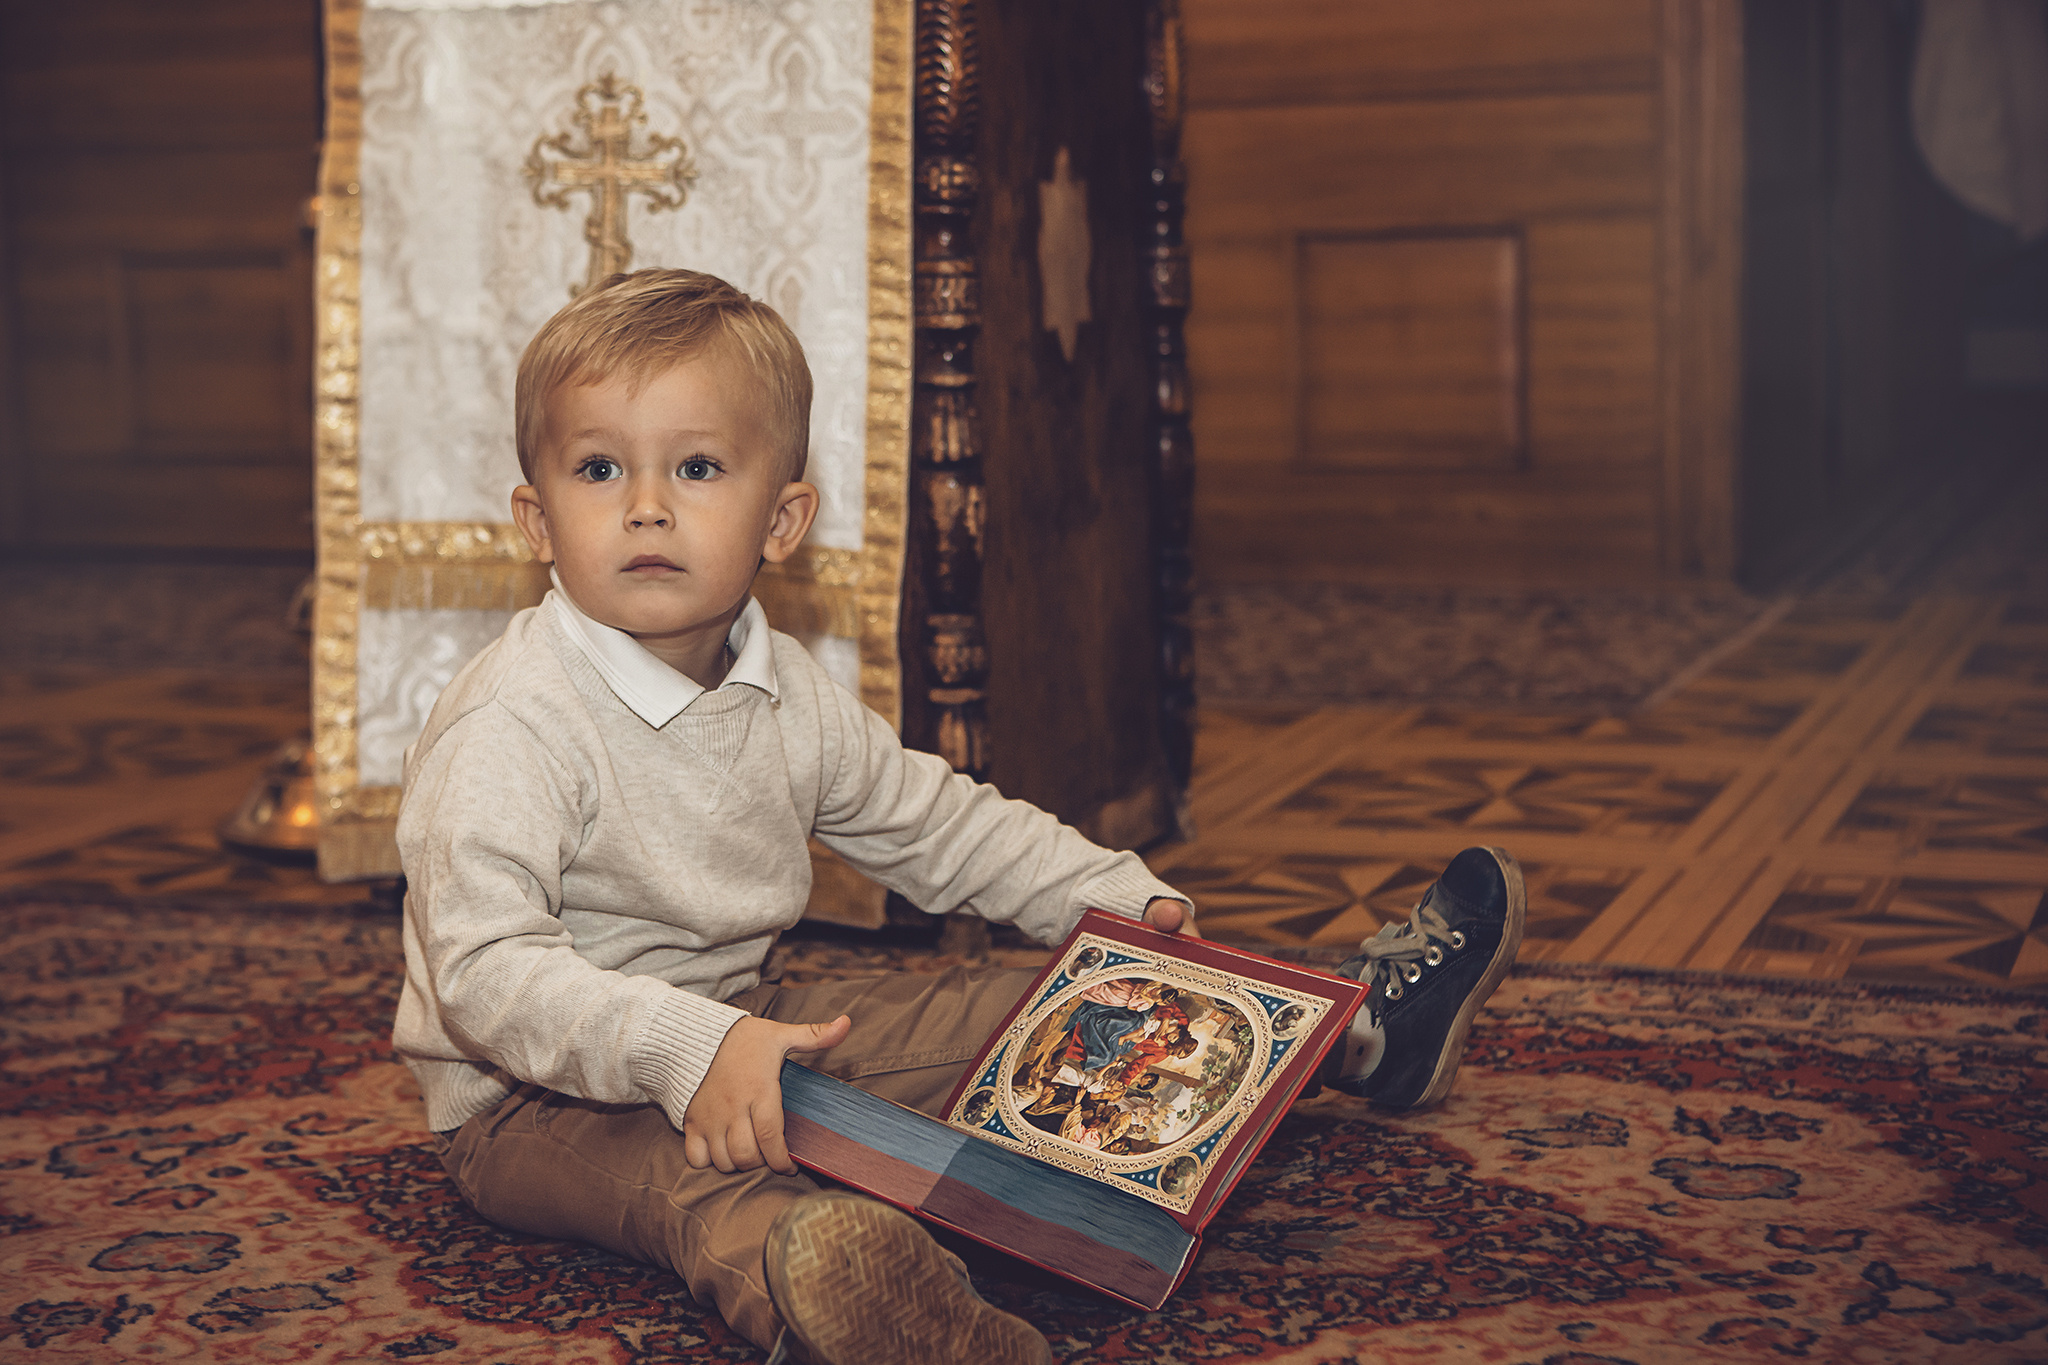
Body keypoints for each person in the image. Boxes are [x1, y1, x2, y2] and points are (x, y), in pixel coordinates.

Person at [391, 268, 1527, 1365]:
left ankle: (1360, 1039)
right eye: (597, 469)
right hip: (532, 1101)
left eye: (694, 466)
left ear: (781, 521)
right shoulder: (512, 723)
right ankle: (848, 1291)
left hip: (748, 1019)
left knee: (1069, 1020)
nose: (644, 505)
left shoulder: (782, 687)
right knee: (710, 1183)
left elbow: (940, 828)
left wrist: (1124, 906)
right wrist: (686, 1049)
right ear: (536, 522)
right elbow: (485, 977)